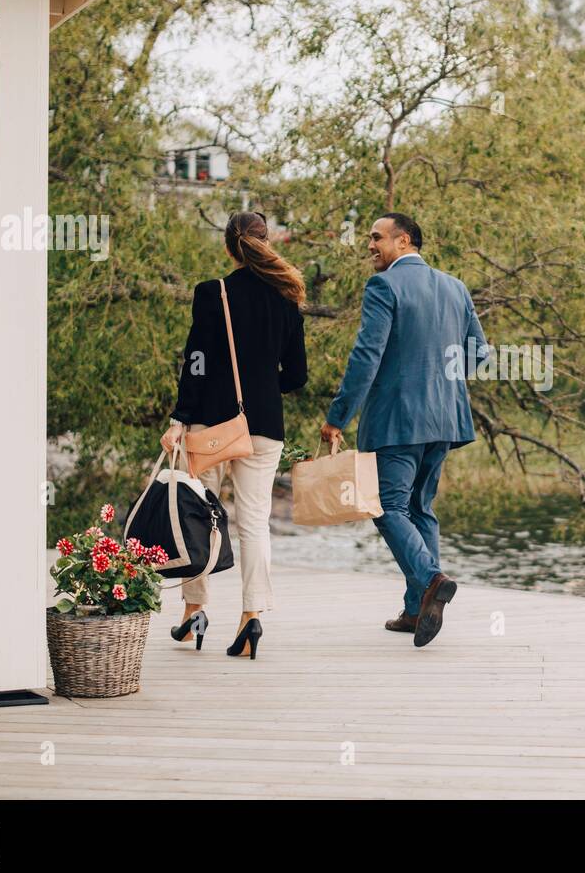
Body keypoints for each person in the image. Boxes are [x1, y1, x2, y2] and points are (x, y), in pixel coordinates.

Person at [321, 212, 487, 647]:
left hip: (397, 420)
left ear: (404, 240)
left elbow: (366, 357)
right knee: (421, 508)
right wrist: (442, 383)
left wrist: (337, 416)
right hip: (445, 418)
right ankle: (417, 609)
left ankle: (431, 579)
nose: (370, 245)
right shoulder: (455, 287)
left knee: (387, 507)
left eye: (377, 238)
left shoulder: (384, 286)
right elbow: (479, 352)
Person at [161, 211, 307, 659]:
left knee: (198, 518)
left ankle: (193, 613)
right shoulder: (288, 295)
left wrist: (179, 418)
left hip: (210, 426)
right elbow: (296, 375)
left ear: (229, 247)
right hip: (264, 428)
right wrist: (264, 387)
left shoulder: (213, 293)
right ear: (267, 242)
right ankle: (251, 619)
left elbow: (196, 363)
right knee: (255, 522)